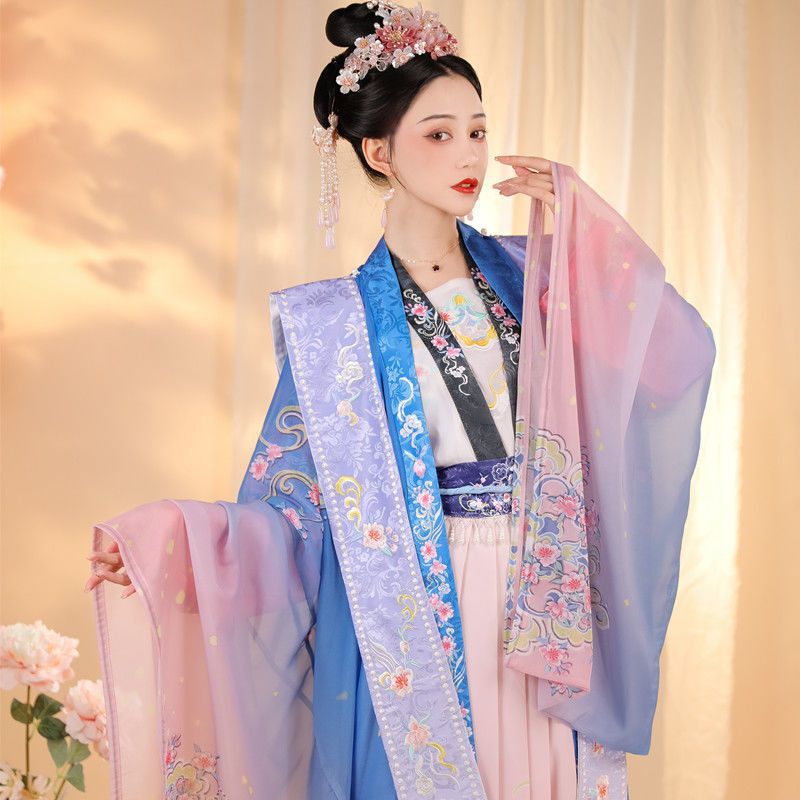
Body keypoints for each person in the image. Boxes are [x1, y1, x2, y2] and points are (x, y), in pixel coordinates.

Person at [85, 3, 715, 799]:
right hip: (424, 603)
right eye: (439, 134)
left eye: (478, 131)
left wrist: (589, 232)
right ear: (378, 151)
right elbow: (289, 515)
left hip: (544, 598)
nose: (470, 154)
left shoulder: (540, 275)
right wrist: (169, 540)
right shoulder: (332, 325)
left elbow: (672, 356)